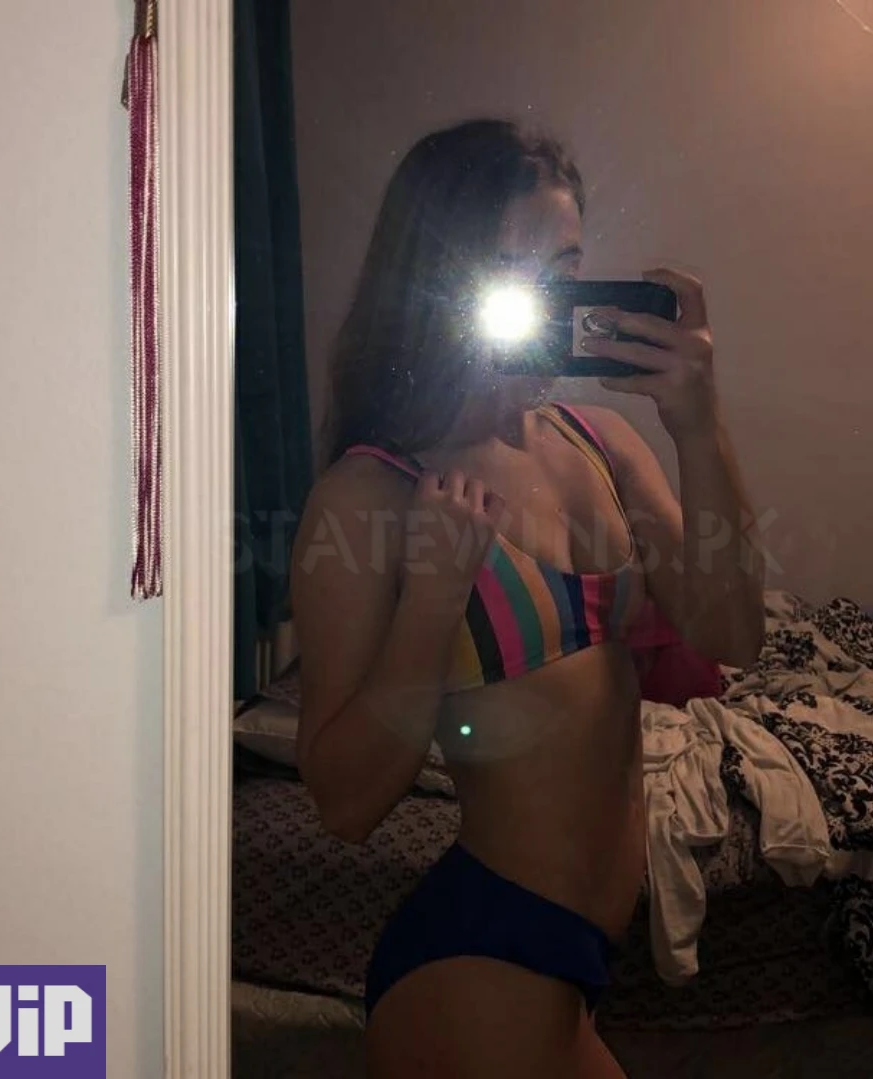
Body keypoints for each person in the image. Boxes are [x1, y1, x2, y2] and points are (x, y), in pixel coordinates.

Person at [288, 118, 766, 1078]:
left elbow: (733, 630)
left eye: (564, 270)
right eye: (507, 272)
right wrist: (431, 604)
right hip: (477, 962)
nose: (542, 302)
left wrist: (698, 425)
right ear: (433, 283)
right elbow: (344, 803)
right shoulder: (370, 494)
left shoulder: (602, 444)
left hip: (574, 964)